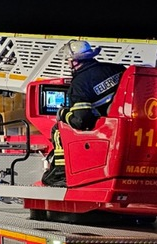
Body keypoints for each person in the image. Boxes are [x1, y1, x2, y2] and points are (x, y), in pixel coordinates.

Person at [41, 40, 127, 187]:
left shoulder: (80, 83)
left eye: (68, 61)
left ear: (75, 62)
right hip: (125, 120)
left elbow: (82, 121)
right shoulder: (116, 68)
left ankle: (61, 174)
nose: (68, 65)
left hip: (105, 128)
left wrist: (63, 114)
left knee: (58, 130)